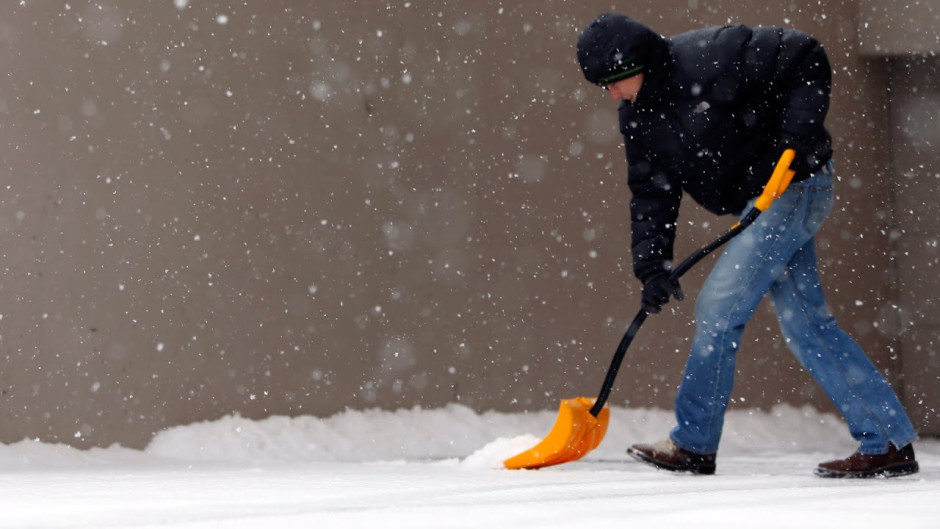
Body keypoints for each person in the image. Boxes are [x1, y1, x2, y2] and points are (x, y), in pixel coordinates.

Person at [576, 13, 919, 478]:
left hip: (793, 186)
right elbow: (652, 192)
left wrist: (799, 133)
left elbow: (805, 54)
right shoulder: (638, 115)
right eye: (605, 87)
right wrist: (652, 266)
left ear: (642, 62)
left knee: (719, 308)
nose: (614, 94)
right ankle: (888, 440)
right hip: (757, 202)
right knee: (807, 324)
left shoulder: (709, 57)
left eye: (617, 81)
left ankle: (694, 443)